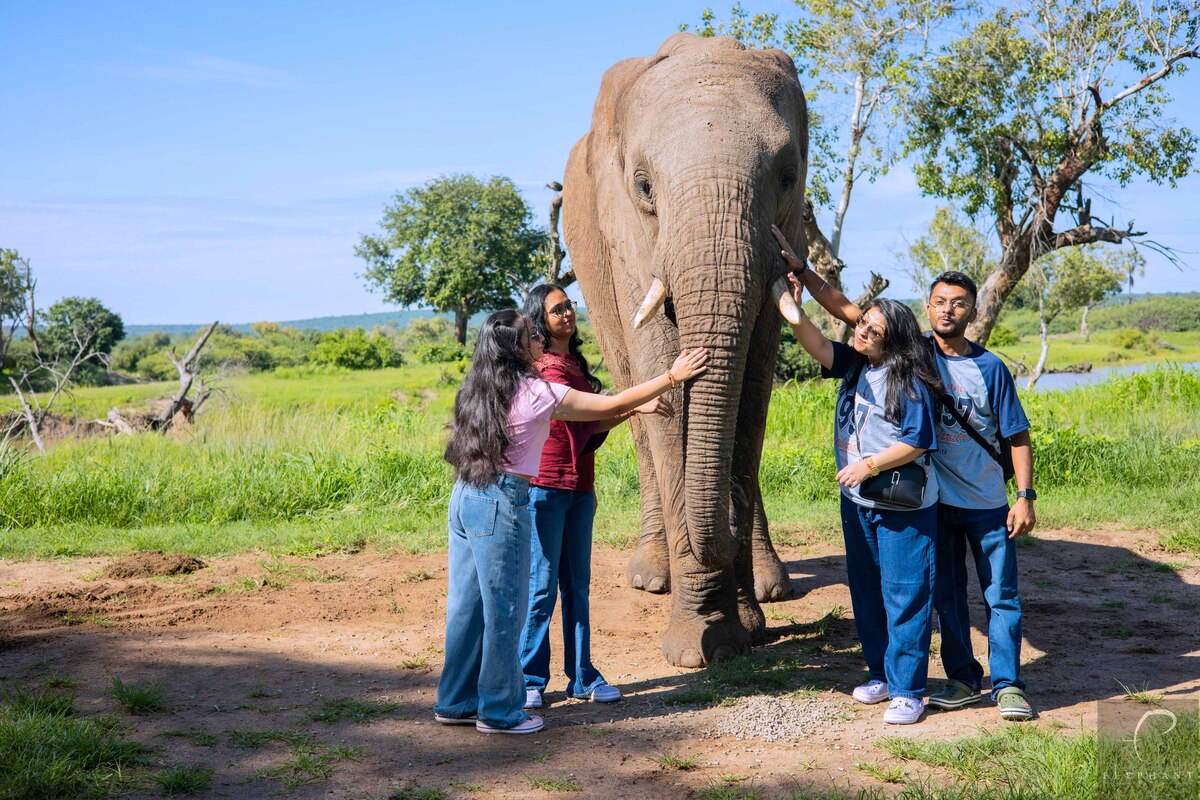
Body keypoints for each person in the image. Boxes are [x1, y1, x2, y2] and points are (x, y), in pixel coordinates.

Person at [433, 308, 708, 734]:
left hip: (466, 496)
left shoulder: (479, 387)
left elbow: (600, 413)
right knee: (506, 609)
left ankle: (455, 702)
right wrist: (672, 376)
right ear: (516, 347)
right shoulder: (535, 391)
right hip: (503, 501)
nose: (539, 339)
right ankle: (500, 712)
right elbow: (609, 402)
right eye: (532, 334)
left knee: (466, 607)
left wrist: (635, 406)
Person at [789, 252, 1036, 721]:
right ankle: (963, 678)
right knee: (944, 595)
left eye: (958, 303)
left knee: (1000, 594)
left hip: (985, 501)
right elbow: (850, 312)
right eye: (940, 302)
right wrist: (803, 273)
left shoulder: (990, 368)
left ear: (973, 311)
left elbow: (1017, 435)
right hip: (935, 500)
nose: (948, 310)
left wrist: (1024, 496)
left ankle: (1007, 685)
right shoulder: (914, 351)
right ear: (927, 307)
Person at [773, 226, 944, 726]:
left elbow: (918, 440)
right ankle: (881, 675)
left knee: (905, 592)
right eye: (862, 323)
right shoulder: (856, 364)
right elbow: (817, 341)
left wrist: (867, 464)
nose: (862, 330)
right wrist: (790, 305)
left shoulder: (909, 377)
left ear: (895, 338)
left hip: (902, 503)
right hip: (859, 501)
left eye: (873, 328)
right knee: (866, 591)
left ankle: (910, 690)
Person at [518, 286, 669, 709]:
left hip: (580, 488)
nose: (568, 313)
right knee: (542, 587)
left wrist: (631, 409)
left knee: (577, 586)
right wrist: (642, 398)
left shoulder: (572, 364)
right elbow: (588, 412)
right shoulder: (546, 369)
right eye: (557, 309)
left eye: (569, 305)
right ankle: (529, 679)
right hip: (546, 488)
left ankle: (582, 676)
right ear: (540, 320)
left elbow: (591, 421)